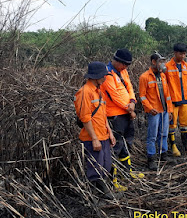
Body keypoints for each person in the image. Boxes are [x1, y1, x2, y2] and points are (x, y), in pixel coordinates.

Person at [100, 48, 144, 191]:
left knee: (126, 144)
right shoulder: (107, 74)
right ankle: (114, 181)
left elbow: (129, 87)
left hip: (126, 113)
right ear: (116, 60)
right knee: (116, 147)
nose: (125, 67)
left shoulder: (123, 71)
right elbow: (115, 96)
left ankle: (127, 173)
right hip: (115, 116)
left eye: (127, 65)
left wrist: (132, 101)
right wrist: (130, 109)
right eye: (124, 64)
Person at [74, 61, 116, 200]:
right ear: (95, 77)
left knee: (105, 165)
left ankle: (105, 192)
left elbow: (102, 116)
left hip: (103, 135)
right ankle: (97, 197)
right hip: (93, 138)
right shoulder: (84, 92)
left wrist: (109, 133)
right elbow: (85, 118)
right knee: (95, 168)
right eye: (103, 75)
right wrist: (94, 139)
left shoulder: (98, 91)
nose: (105, 78)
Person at [139, 53, 174, 170]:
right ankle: (151, 158)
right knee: (152, 136)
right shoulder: (144, 77)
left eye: (163, 62)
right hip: (154, 111)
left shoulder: (163, 76)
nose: (162, 64)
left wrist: (169, 110)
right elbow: (142, 96)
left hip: (164, 111)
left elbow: (167, 95)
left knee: (163, 134)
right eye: (160, 62)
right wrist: (149, 108)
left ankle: (163, 154)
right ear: (153, 62)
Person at [165, 43, 187, 157]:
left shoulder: (185, 65)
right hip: (173, 101)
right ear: (175, 53)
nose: (183, 56)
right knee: (172, 125)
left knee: (185, 124)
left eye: (184, 54)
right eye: (181, 54)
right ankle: (173, 146)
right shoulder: (167, 67)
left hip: (184, 100)